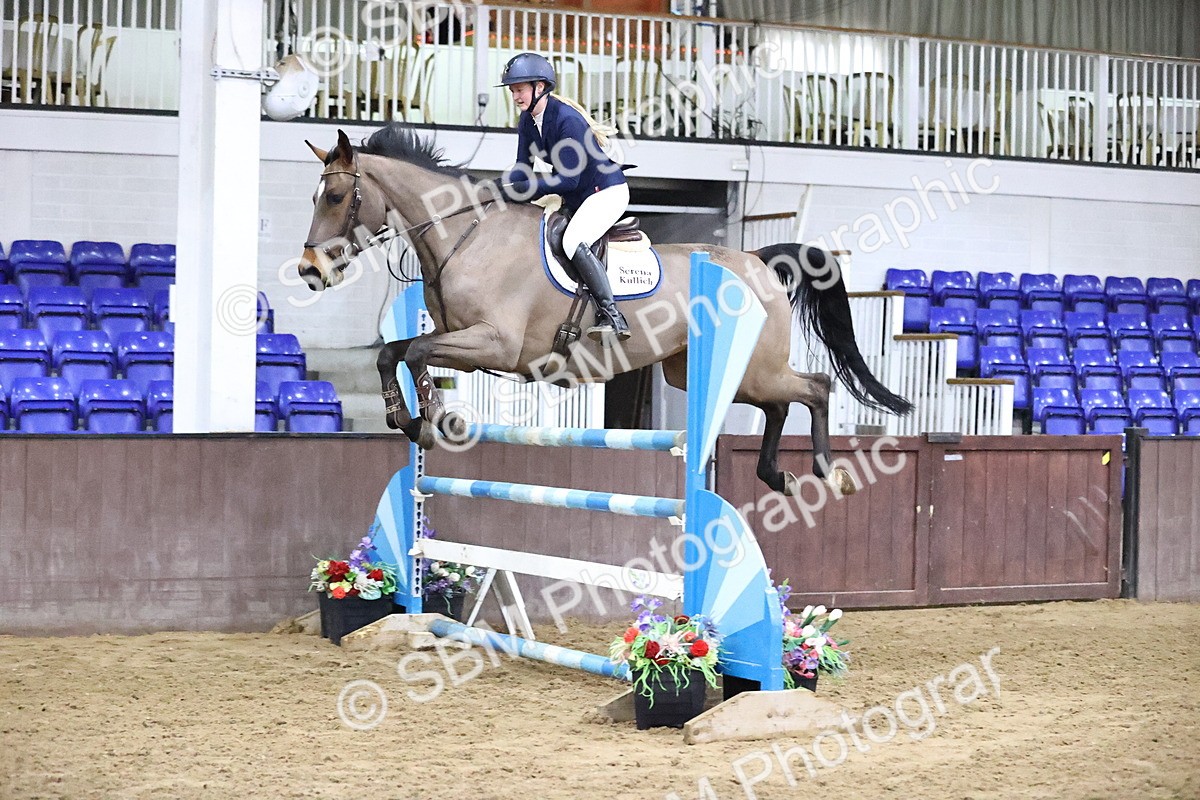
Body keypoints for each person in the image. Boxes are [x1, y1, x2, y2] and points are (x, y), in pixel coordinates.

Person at [497, 52, 631, 342]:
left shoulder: (567, 120)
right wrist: (494, 188)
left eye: (519, 89)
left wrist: (529, 187)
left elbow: (569, 180)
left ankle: (613, 316)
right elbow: (522, 170)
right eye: (513, 90)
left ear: (540, 87)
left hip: (605, 192)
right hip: (579, 195)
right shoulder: (527, 121)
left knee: (572, 241)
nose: (515, 96)